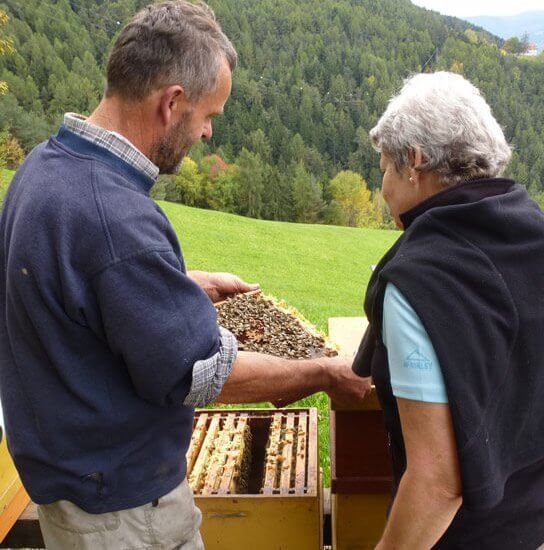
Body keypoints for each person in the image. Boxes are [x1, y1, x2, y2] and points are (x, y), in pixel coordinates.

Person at [0, 2, 370, 549]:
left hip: (73, 491)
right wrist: (322, 373)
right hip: (124, 513)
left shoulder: (44, 167)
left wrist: (177, 282)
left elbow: (66, 287)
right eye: (208, 115)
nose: (209, 133)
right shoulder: (116, 220)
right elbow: (201, 374)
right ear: (173, 103)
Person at [352, 71, 544, 549]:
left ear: (415, 163)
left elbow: (438, 483)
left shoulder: (417, 281)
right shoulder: (533, 230)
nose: (382, 186)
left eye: (384, 166)